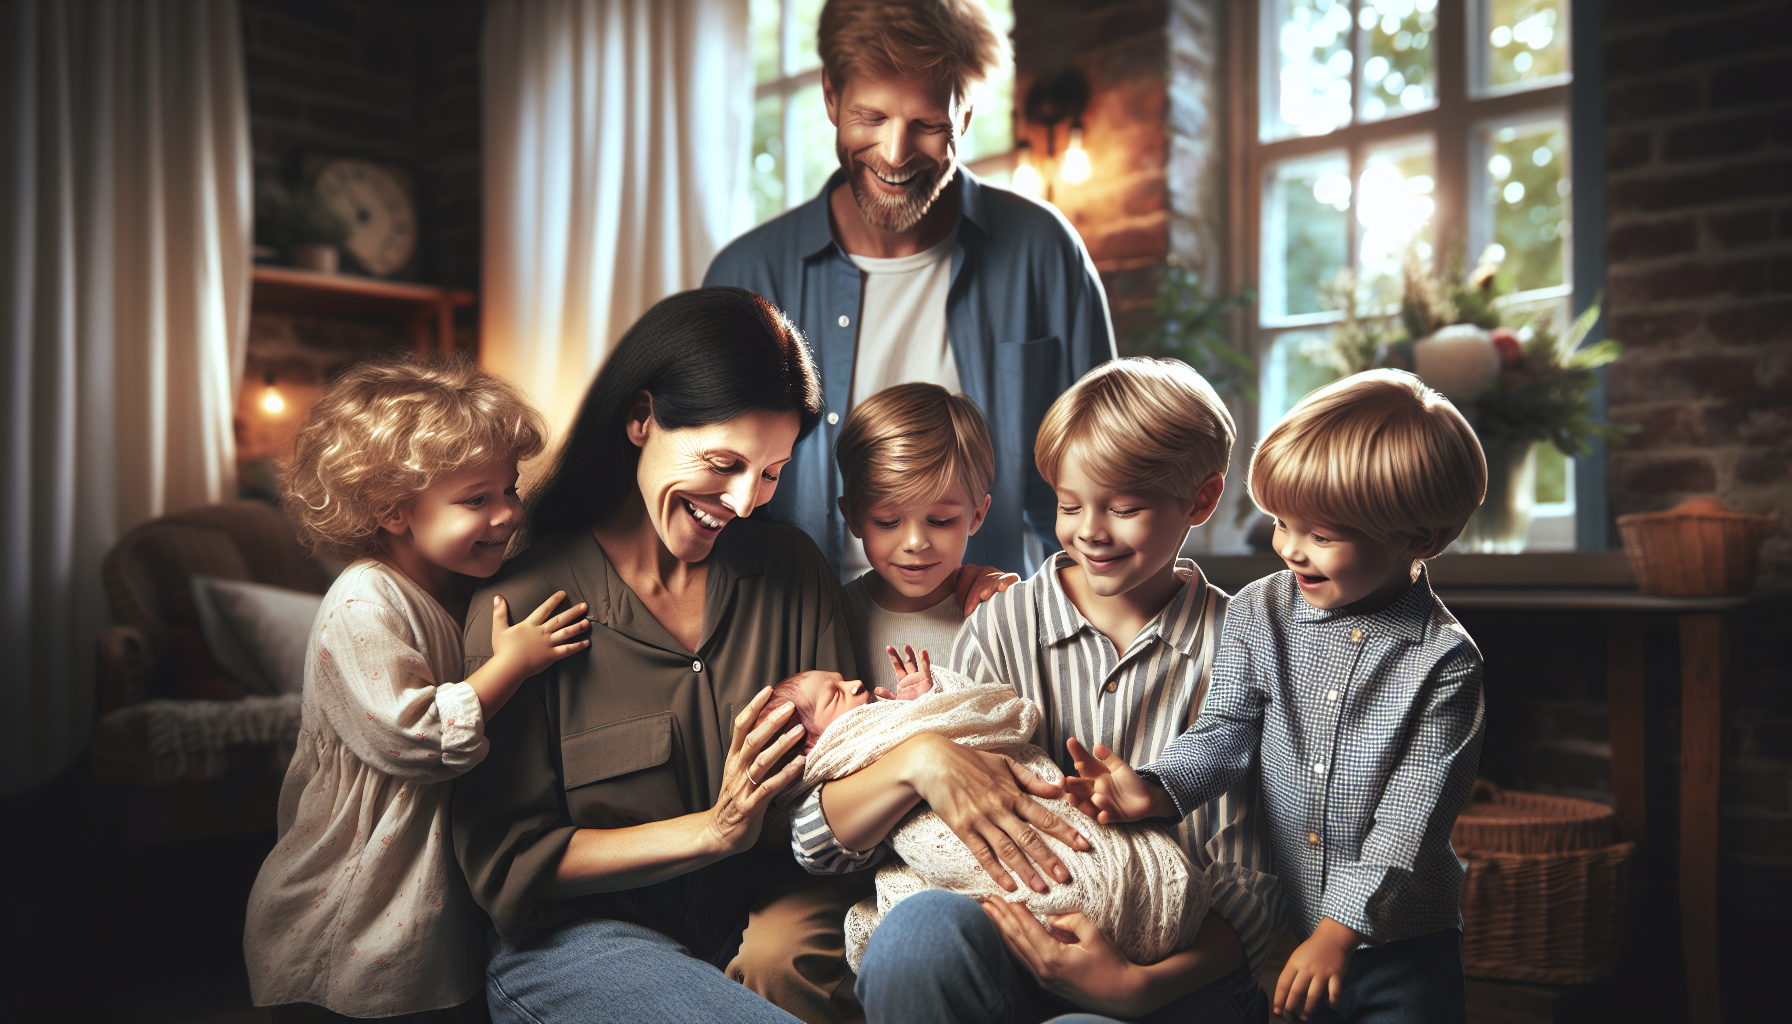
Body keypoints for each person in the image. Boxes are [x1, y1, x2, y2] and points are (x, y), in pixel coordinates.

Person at [450, 288, 1009, 1024]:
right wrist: (715, 828)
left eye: (772, 472)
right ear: (641, 417)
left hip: (779, 905)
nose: (747, 500)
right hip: (588, 935)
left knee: (792, 961)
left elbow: (843, 776)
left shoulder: (793, 569)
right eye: (724, 462)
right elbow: (511, 862)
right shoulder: (523, 605)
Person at [798, 358, 1283, 1024]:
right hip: (1013, 936)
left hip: (1170, 971)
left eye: (1125, 508)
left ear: (1200, 501)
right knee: (915, 935)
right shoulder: (1000, 624)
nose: (1090, 531)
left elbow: (1254, 876)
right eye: (1070, 504)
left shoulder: (1244, 647)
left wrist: (1135, 987)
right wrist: (916, 753)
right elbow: (869, 820)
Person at [1062, 370, 1489, 1024]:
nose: (1291, 549)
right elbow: (1224, 733)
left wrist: (1339, 931)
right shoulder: (1261, 609)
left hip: (1403, 947)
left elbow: (1411, 823)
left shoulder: (1445, 662)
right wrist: (1152, 788)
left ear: (1419, 538)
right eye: (1282, 523)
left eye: (1324, 535)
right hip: (1292, 939)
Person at [704, 0, 1116, 578]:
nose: (895, 155)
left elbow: (1107, 474)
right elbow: (712, 500)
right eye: (870, 117)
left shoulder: (1044, 252)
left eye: (927, 124)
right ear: (830, 96)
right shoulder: (745, 275)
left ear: (966, 114)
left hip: (1005, 640)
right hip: (800, 648)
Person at [244, 360, 592, 1022]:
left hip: (424, 895)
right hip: (352, 902)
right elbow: (412, 737)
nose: (509, 513)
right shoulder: (362, 602)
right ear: (393, 511)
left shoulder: (454, 587)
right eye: (477, 499)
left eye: (510, 489)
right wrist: (511, 664)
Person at [758, 661, 1212, 974]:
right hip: (962, 869)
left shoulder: (898, 712)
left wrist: (931, 700)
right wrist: (919, 749)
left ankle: (1121, 895)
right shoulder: (844, 771)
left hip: (1039, 807)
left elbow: (988, 721)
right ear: (809, 748)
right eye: (836, 694)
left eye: (844, 679)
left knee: (1078, 843)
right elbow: (814, 842)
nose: (856, 685)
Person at [833, 382, 1006, 686]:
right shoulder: (833, 619)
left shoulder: (997, 607)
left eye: (940, 521)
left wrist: (1017, 601)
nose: (915, 543)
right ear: (853, 517)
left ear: (978, 514)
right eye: (887, 521)